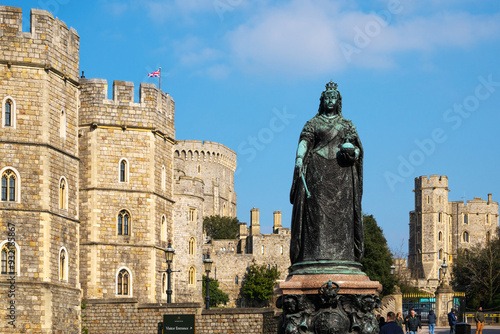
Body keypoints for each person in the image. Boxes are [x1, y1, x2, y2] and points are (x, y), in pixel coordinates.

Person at [289, 80, 363, 274]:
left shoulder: (347, 124)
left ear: (338, 102)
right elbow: (305, 142)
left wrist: (353, 153)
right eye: (327, 98)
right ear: (322, 101)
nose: (330, 101)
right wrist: (299, 158)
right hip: (317, 172)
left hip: (341, 176)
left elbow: (357, 149)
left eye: (333, 98)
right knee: (316, 218)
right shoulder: (313, 123)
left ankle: (344, 257)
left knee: (343, 219)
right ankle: (314, 256)